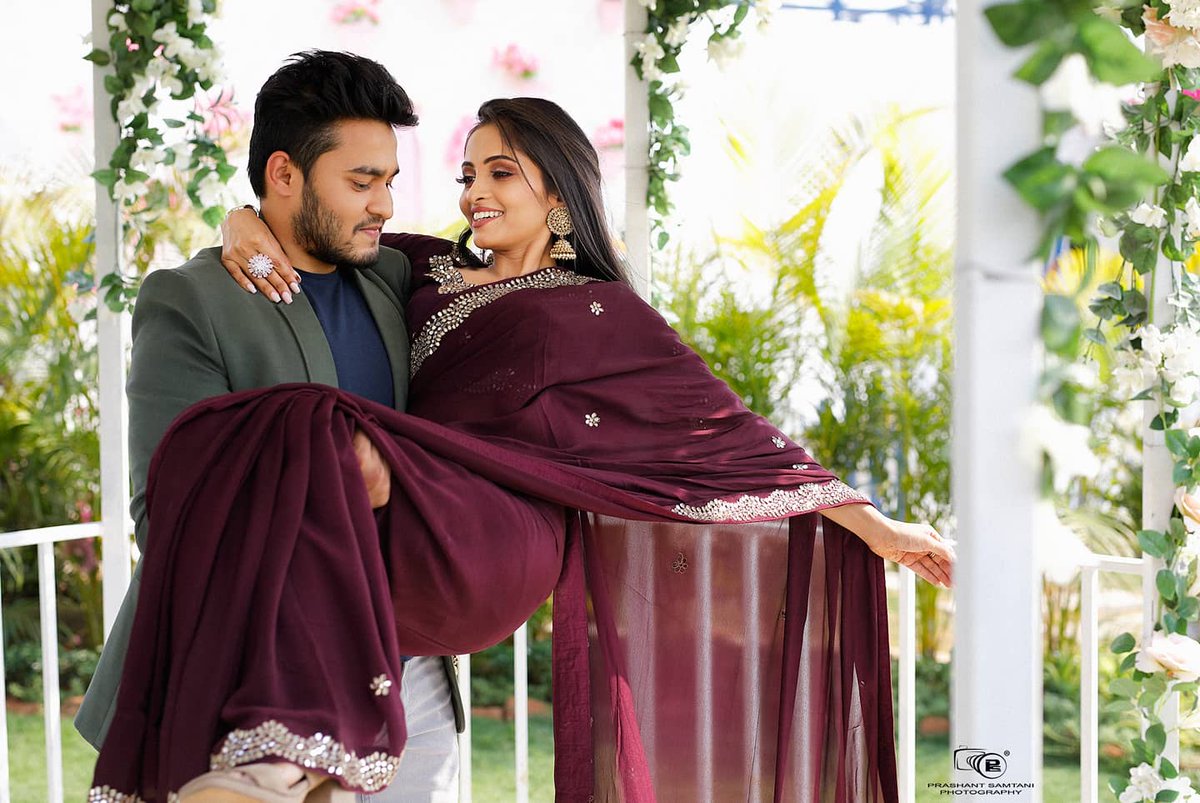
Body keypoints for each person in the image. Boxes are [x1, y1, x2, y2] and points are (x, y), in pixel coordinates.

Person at [93, 97, 954, 801]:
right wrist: (241, 222)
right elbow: (318, 228)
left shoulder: (596, 310)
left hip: (494, 525)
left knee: (319, 423)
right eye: (469, 174)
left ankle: (285, 751)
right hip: (400, 531)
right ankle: (294, 757)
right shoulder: (419, 272)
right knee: (309, 427)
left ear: (557, 196)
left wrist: (874, 526)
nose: (474, 192)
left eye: (502, 173)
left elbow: (726, 430)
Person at [78, 51, 464, 802]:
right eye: (361, 181)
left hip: (410, 678)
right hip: (249, 686)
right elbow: (165, 514)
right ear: (283, 174)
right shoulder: (191, 301)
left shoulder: (391, 277)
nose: (384, 204)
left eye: (388, 179)